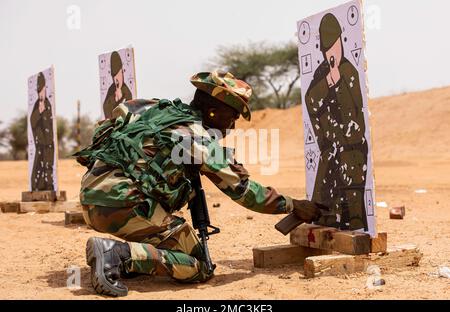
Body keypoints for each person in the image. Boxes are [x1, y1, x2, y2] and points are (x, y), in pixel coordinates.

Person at [76, 71, 325, 297]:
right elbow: (245, 192)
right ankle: (118, 255)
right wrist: (293, 205)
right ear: (214, 110)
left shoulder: (150, 108)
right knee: (198, 267)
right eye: (232, 116)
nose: (233, 125)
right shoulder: (199, 140)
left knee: (168, 230)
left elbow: (104, 129)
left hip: (91, 197)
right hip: (123, 205)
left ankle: (134, 256)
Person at [305, 13, 368, 231]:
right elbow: (311, 100)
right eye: (328, 48)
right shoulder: (322, 72)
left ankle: (355, 230)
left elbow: (353, 109)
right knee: (324, 206)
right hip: (330, 148)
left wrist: (338, 81)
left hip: (352, 148)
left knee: (353, 211)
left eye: (336, 45)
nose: (333, 52)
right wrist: (328, 81)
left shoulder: (349, 70)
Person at [29, 72, 55, 191]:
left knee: (49, 166)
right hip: (41, 144)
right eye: (40, 91)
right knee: (39, 167)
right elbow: (33, 120)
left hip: (49, 143)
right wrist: (39, 112)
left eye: (43, 90)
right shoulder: (37, 105)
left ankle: (49, 186)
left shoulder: (48, 104)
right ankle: (37, 187)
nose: (42, 93)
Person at [102, 51, 133, 119]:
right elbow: (105, 106)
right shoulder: (111, 89)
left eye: (118, 74)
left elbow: (130, 111)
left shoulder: (126, 91)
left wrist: (121, 99)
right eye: (114, 76)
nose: (116, 79)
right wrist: (114, 100)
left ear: (122, 72)